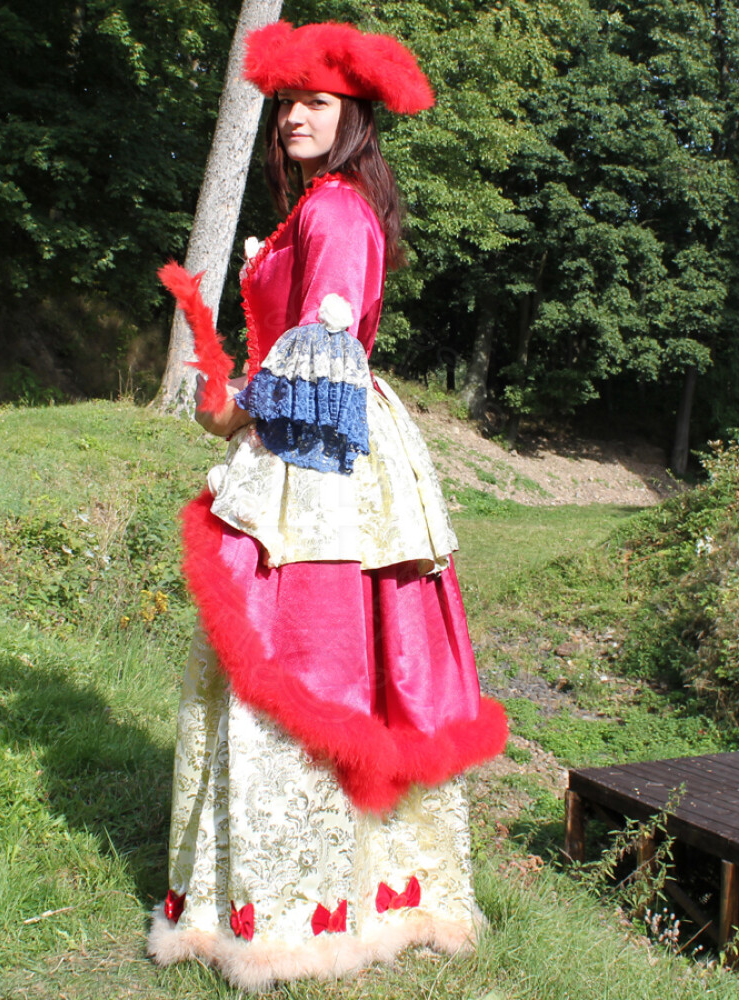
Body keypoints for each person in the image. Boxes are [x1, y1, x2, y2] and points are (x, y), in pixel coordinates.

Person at [148, 20, 508, 992]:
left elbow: (322, 357)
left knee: (304, 650)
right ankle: (299, 890)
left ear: (353, 117)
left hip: (322, 458)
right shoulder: (316, 208)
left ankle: (295, 904)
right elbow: (296, 356)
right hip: (308, 438)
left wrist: (246, 408)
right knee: (289, 651)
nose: (295, 118)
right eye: (287, 103)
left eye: (316, 103)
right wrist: (238, 403)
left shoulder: (337, 211)